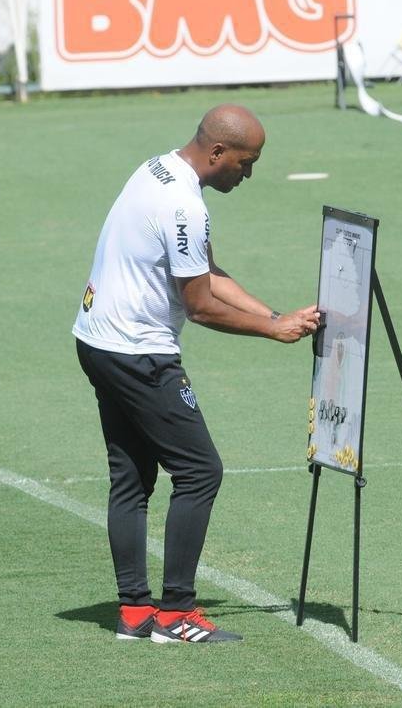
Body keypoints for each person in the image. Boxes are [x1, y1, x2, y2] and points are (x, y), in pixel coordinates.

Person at [73, 104, 320, 644]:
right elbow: (202, 306)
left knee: (133, 477)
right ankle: (176, 613)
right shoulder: (184, 205)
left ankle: (136, 611)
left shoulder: (156, 168)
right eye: (245, 162)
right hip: (139, 354)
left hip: (96, 339)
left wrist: (274, 316)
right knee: (200, 472)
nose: (247, 173)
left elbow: (205, 270)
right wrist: (271, 332)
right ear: (216, 153)